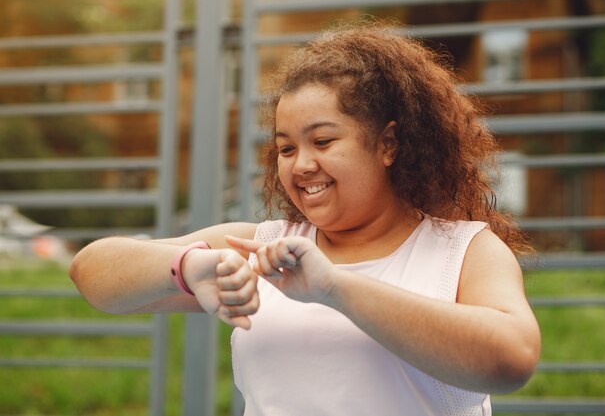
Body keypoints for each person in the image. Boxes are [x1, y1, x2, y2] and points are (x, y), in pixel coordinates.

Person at [70, 22, 540, 416]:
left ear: (388, 144)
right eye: (286, 148)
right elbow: (91, 272)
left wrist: (334, 288)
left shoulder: (463, 249)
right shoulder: (263, 248)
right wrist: (190, 267)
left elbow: (512, 360)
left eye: (323, 141)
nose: (300, 165)